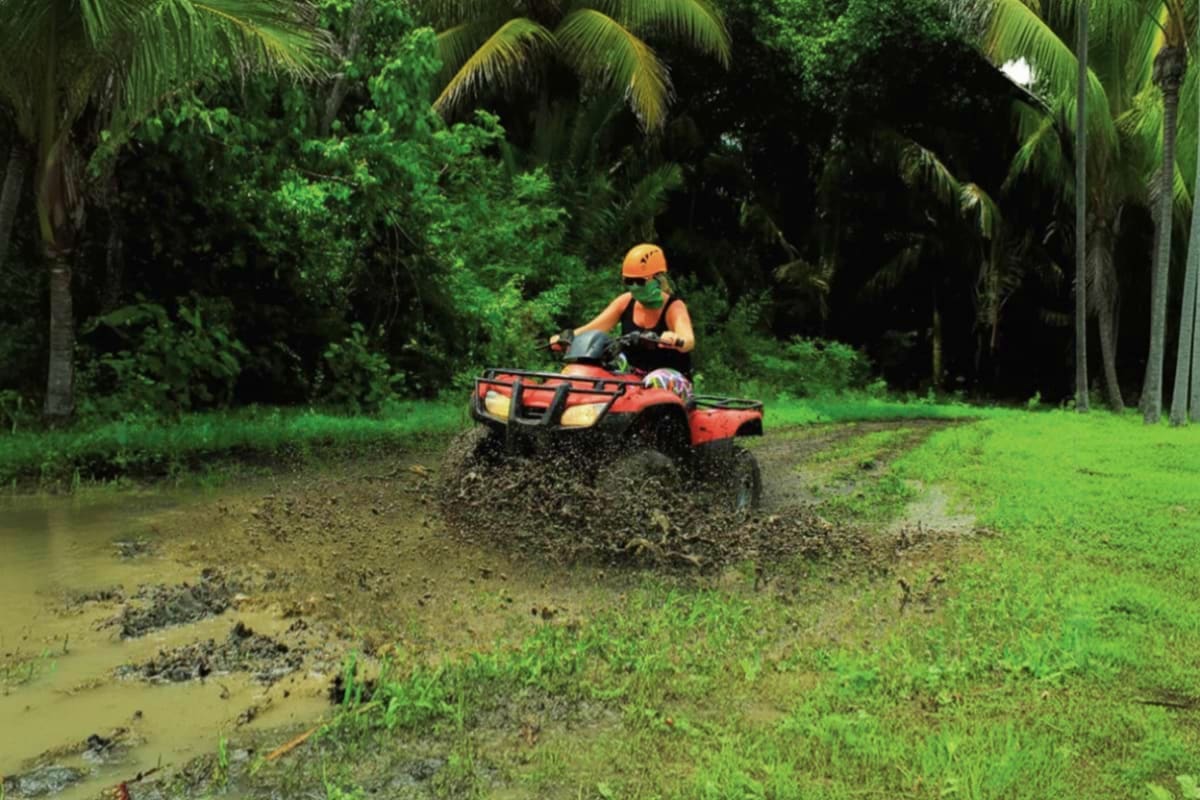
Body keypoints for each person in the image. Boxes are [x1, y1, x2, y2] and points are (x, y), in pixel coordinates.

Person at [550, 244, 696, 402]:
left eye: (640, 281)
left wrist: (675, 339)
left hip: (670, 380)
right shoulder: (625, 302)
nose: (634, 286)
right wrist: (566, 338)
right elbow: (594, 328)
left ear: (658, 279)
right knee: (603, 363)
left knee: (654, 380)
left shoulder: (674, 307)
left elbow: (688, 340)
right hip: (633, 377)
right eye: (629, 281)